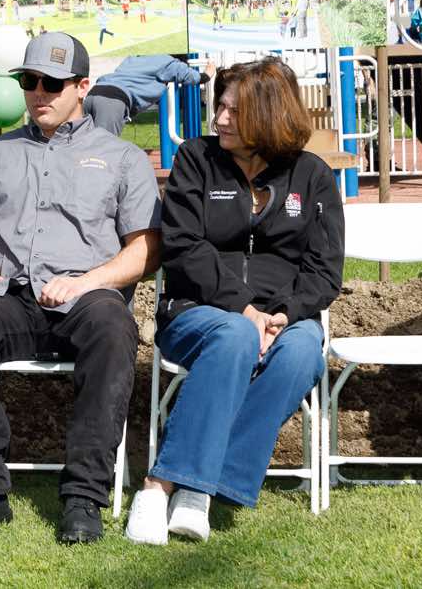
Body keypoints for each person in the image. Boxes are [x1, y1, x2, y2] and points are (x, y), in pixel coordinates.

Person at [0, 31, 161, 544]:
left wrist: (86, 282)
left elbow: (146, 251)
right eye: (30, 81)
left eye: (52, 83)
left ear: (82, 86)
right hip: (10, 297)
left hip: (88, 297)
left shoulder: (122, 157)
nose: (39, 92)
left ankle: (84, 495)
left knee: (114, 327)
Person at [124, 57, 344, 545]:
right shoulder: (195, 160)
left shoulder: (313, 175)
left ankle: (197, 484)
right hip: (196, 311)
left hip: (285, 316)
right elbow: (183, 246)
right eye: (220, 107)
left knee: (302, 353)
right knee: (235, 333)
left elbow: (325, 270)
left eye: (235, 111)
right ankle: (159, 489)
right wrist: (246, 310)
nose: (220, 119)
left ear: (269, 117)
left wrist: (282, 314)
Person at [85, 54, 215, 137]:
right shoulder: (169, 62)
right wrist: (207, 75)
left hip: (93, 93)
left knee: (81, 143)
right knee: (104, 151)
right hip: (112, 101)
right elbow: (188, 76)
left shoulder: (134, 59)